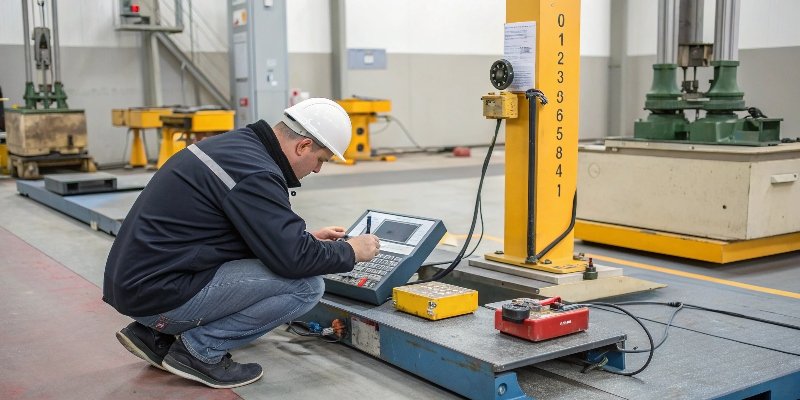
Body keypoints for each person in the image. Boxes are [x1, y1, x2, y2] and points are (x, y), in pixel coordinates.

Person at [103, 98, 380, 389]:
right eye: (321, 160)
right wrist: (351, 250)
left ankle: (155, 335)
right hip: (156, 293)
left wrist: (305, 239)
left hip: (138, 282)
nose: (317, 170)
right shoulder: (256, 173)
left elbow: (234, 229)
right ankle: (200, 351)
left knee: (281, 262)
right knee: (306, 286)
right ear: (303, 146)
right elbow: (293, 260)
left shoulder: (238, 148)